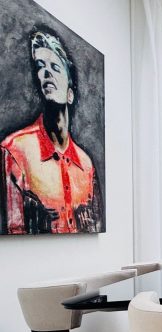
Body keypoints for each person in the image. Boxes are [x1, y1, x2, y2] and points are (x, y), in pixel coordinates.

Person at [1, 27, 101, 233]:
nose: (46, 73)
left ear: (70, 94)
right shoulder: (15, 150)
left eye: (55, 67)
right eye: (40, 66)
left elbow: (95, 226)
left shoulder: (86, 165)